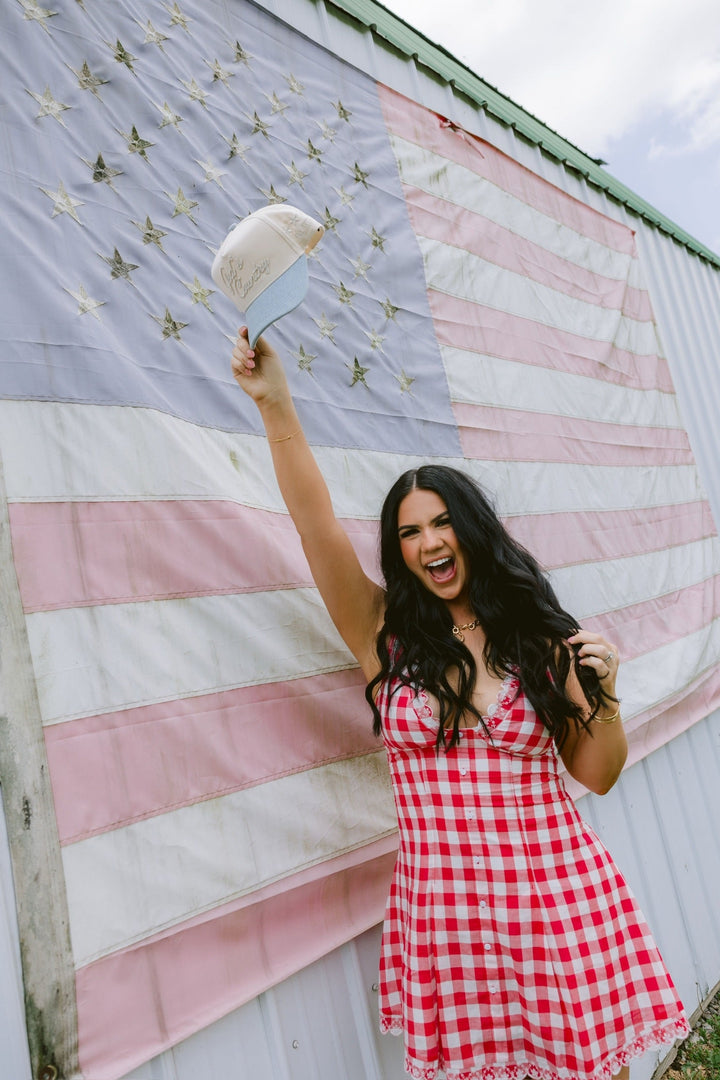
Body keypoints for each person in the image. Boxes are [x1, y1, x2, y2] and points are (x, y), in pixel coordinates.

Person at [231, 328, 689, 1080]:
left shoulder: (541, 640)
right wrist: (276, 404)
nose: (427, 542)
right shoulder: (382, 635)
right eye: (409, 531)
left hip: (554, 901)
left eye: (442, 522)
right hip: (449, 914)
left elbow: (596, 774)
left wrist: (603, 699)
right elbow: (314, 524)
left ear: (472, 531)